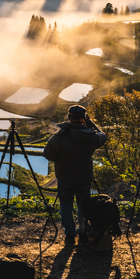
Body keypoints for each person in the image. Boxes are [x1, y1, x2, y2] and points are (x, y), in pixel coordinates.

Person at [43, 105, 107, 247]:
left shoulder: (60, 136)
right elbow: (103, 135)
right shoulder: (92, 136)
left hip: (65, 177)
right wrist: (90, 123)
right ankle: (83, 230)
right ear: (84, 118)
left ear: (69, 117)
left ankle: (70, 234)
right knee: (83, 205)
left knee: (65, 205)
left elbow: (48, 153)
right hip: (84, 177)